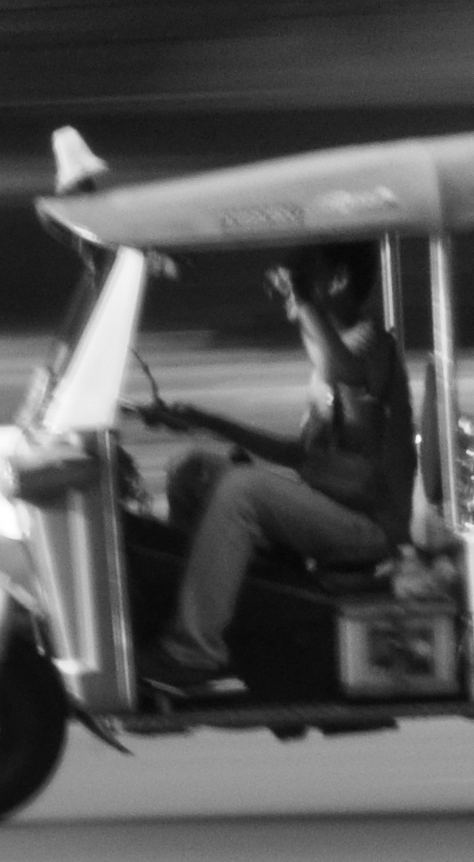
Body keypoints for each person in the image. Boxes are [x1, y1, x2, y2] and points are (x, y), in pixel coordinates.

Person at [133, 241, 417, 692]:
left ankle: (194, 651)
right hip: (333, 508)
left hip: (370, 529)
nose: (288, 296)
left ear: (338, 281)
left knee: (242, 491)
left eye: (302, 280)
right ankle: (200, 617)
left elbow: (347, 376)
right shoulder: (333, 361)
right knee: (192, 471)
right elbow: (300, 455)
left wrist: (304, 301)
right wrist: (204, 422)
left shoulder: (370, 347)